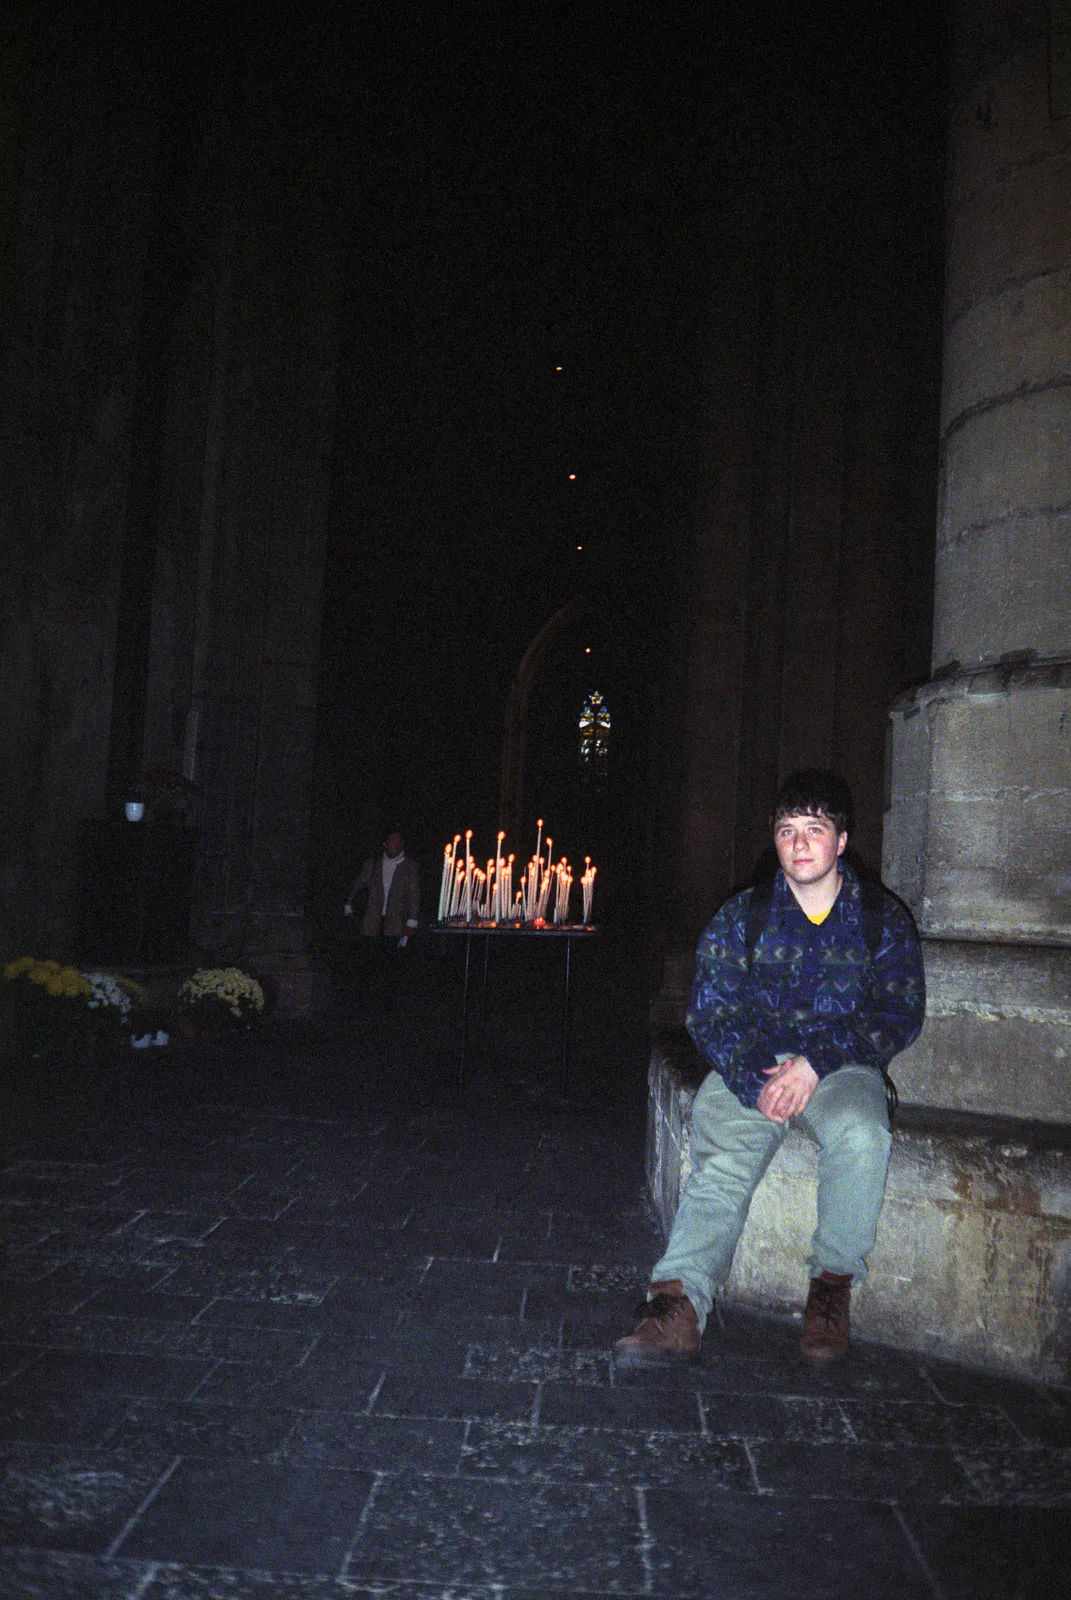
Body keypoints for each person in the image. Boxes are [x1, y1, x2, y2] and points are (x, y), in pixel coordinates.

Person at [615, 769, 924, 1367]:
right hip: (755, 1068)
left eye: (816, 829)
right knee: (723, 1153)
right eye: (788, 830)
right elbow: (710, 1011)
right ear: (774, 840)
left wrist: (817, 1064)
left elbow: (899, 1012)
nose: (801, 843)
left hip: (842, 1069)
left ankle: (830, 1290)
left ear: (841, 841)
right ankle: (678, 1302)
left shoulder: (881, 921)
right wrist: (757, 1073)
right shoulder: (742, 919)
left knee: (863, 1134)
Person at [345, 829, 420, 946]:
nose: (396, 844)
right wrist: (349, 904)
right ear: (385, 844)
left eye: (399, 841)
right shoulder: (373, 863)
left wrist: (412, 921)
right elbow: (359, 884)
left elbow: (414, 895)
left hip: (396, 923)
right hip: (372, 920)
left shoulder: (410, 867)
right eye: (393, 840)